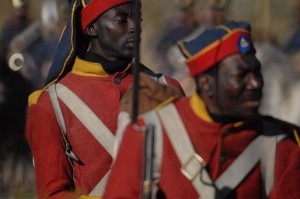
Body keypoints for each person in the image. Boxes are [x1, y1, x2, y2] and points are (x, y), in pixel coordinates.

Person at [103, 21, 300, 198]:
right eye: (241, 75)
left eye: (257, 72)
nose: (255, 83)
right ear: (206, 83)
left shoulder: (280, 145)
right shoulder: (148, 134)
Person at [24, 0, 184, 198]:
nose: (135, 27)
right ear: (92, 28)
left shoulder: (167, 88)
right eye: (122, 20)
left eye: (138, 19)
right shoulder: (51, 104)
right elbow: (53, 194)